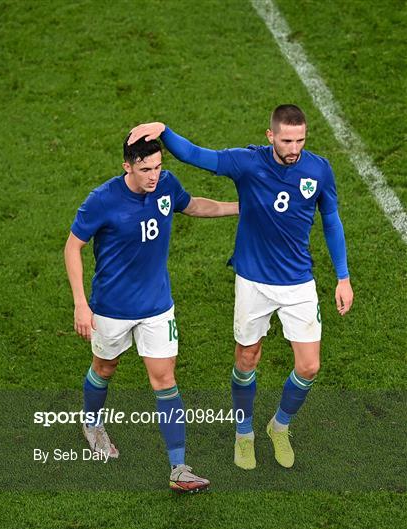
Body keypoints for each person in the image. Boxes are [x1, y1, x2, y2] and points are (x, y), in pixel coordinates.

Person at [129, 105, 354, 470]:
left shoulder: (318, 170)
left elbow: (330, 219)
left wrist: (342, 277)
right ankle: (244, 432)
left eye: (300, 139)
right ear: (271, 136)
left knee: (309, 366)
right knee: (247, 358)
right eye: (286, 140)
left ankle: (279, 426)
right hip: (253, 280)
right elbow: (199, 157)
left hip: (298, 281)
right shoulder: (247, 163)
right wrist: (165, 132)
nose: (294, 147)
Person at [64, 134, 238, 493]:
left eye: (158, 167)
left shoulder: (166, 185)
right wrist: (81, 303)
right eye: (145, 169)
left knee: (165, 380)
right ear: (127, 166)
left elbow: (192, 205)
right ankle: (91, 422)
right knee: (104, 367)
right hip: (111, 308)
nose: (154, 176)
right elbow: (72, 247)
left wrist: (240, 206)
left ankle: (179, 467)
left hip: (158, 306)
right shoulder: (102, 200)